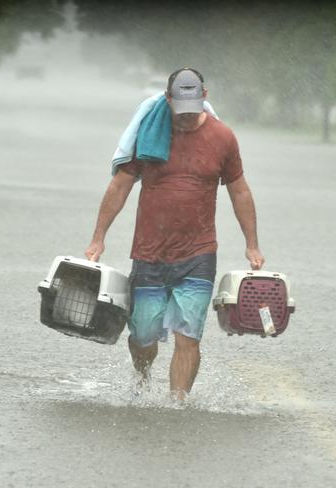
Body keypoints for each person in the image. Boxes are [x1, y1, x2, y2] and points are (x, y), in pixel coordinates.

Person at [85, 68, 264, 400]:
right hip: (150, 253)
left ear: (204, 97)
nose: (185, 118)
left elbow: (239, 191)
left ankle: (176, 405)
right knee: (143, 336)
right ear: (168, 100)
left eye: (192, 110)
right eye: (180, 110)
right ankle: (143, 375)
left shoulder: (223, 137)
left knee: (188, 336)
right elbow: (120, 186)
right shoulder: (150, 134)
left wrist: (251, 244)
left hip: (198, 255)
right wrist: (99, 237)